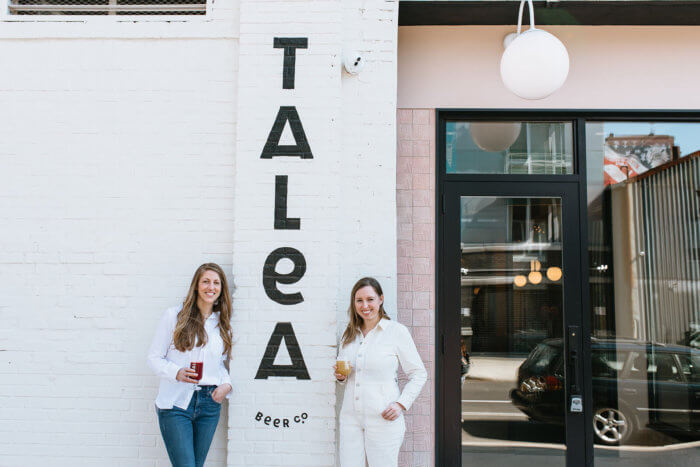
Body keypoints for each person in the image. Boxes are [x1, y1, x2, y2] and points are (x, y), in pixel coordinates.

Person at [334, 277, 427, 467]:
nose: (365, 305)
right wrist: (341, 377)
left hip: (383, 418)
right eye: (359, 300)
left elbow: (419, 373)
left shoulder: (396, 332)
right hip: (350, 418)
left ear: (381, 299)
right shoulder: (348, 334)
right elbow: (347, 374)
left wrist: (401, 404)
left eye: (370, 299)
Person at [147, 263, 233, 467]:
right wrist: (176, 372)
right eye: (205, 282)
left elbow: (220, 364)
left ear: (221, 289)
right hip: (176, 404)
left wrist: (226, 385)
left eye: (216, 283)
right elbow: (153, 358)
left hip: (209, 403)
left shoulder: (223, 324)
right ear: (196, 286)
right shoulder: (174, 316)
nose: (210, 287)